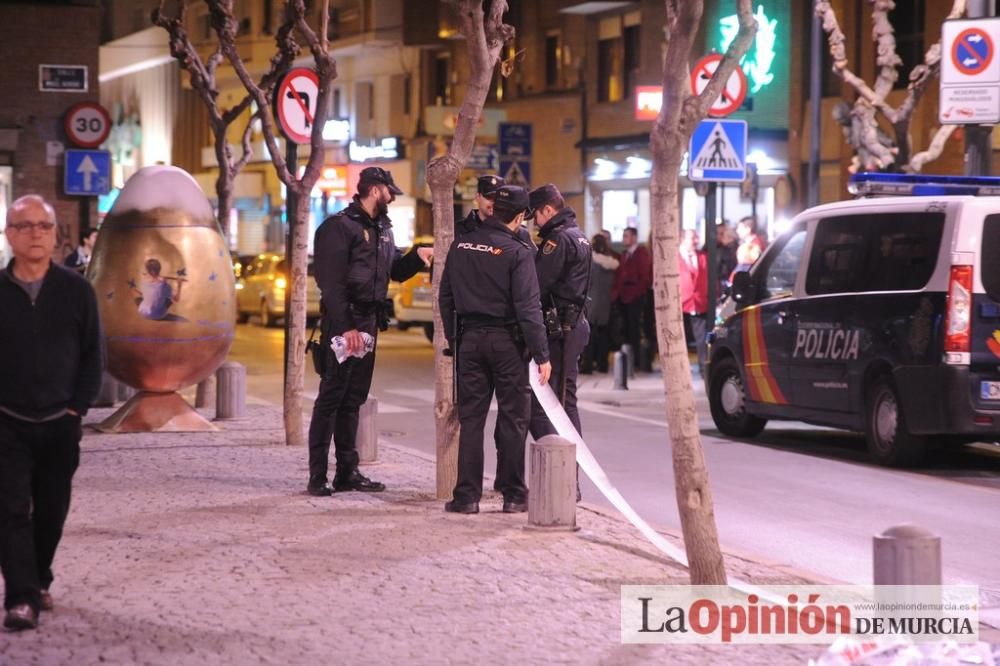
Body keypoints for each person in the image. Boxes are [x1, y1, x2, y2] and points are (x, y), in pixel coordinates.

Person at [0, 195, 103, 631]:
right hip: (7, 422)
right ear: (8, 234)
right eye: (24, 226)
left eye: (43, 225)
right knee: (9, 510)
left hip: (61, 421)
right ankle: (21, 598)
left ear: (54, 233)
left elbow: (92, 356)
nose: (35, 233)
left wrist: (76, 410)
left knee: (52, 509)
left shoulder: (76, 290)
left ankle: (38, 577)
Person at [308, 167, 433, 497]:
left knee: (354, 399)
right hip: (344, 323)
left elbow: (394, 271)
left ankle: (347, 472)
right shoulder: (339, 228)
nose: (392, 197)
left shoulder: (383, 229)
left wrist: (418, 256)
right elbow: (331, 285)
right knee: (331, 399)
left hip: (368, 324)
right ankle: (317, 475)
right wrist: (345, 326)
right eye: (389, 192)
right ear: (376, 190)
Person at [439, 185, 551, 515]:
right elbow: (529, 309)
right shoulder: (518, 252)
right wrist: (542, 354)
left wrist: (454, 338)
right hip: (507, 343)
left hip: (470, 340)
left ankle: (466, 497)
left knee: (471, 420)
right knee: (514, 419)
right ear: (519, 216)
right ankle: (514, 494)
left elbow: (445, 297)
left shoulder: (461, 245)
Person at [527, 184, 591, 440]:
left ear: (548, 209)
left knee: (551, 403)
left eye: (537, 217)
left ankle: (563, 475)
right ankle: (569, 474)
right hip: (574, 324)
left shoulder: (558, 239)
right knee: (566, 400)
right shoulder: (578, 234)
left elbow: (538, 285)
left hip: (561, 329)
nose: (536, 224)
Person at [611, 227, 652, 364]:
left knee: (634, 329)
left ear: (634, 237)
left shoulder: (641, 253)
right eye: (623, 236)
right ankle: (628, 360)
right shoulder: (624, 254)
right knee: (626, 329)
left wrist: (636, 293)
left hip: (634, 296)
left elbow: (645, 278)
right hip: (623, 296)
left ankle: (636, 361)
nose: (624, 239)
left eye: (626, 236)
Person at [580, 233, 619, 374]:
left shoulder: (592, 263)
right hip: (605, 303)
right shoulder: (611, 264)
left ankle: (588, 364)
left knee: (588, 336)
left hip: (591, 302)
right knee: (603, 335)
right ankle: (603, 364)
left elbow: (587, 283)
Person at [678, 229, 709, 377]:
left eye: (697, 237)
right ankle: (680, 367)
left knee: (701, 337)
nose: (696, 241)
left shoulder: (703, 256)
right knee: (681, 336)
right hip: (681, 303)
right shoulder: (675, 257)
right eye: (692, 238)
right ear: (683, 239)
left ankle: (703, 367)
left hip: (700, 302)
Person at [716, 221, 738, 297]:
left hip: (725, 285)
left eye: (722, 234)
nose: (719, 236)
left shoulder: (728, 250)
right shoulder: (712, 248)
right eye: (717, 233)